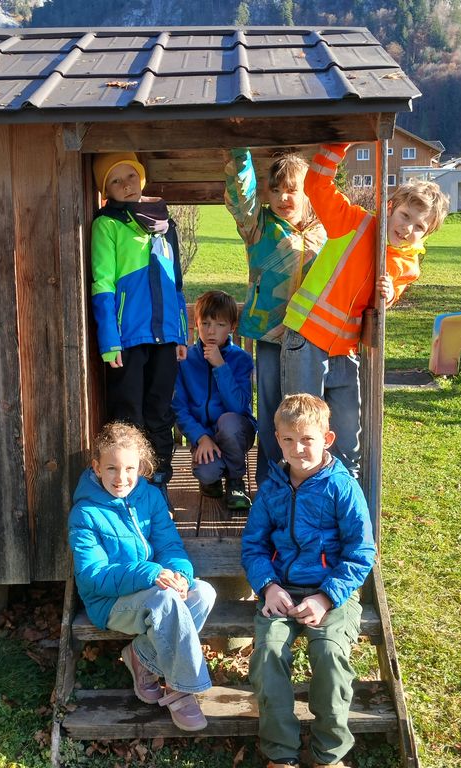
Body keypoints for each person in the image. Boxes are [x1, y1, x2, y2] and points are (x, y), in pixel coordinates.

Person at [282, 144, 450, 477]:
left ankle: (345, 497)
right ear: (391, 207)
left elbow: (385, 300)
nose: (408, 229)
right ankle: (298, 496)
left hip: (347, 350)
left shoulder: (407, 264)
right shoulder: (354, 223)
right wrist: (340, 143)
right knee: (301, 430)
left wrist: (389, 295)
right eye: (405, 216)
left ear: (427, 234)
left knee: (347, 436)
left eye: (419, 226)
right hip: (307, 338)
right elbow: (317, 184)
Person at [241, 394, 376, 768]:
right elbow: (253, 545)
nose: (297, 448)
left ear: (327, 439)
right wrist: (267, 585)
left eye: (307, 439)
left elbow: (361, 552)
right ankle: (280, 753)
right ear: (277, 439)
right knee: (268, 654)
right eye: (288, 439)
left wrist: (326, 597)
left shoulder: (342, 488)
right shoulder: (272, 488)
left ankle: (328, 754)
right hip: (281, 592)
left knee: (329, 654)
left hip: (331, 593)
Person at [69, 422, 216, 731]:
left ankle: (141, 656)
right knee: (165, 601)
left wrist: (180, 575)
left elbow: (169, 545)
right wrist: (151, 573)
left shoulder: (150, 497)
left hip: (153, 590)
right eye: (111, 468)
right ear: (96, 467)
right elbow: (93, 575)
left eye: (129, 469)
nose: (120, 478)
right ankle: (182, 689)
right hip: (110, 602)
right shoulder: (85, 514)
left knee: (204, 593)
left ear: (141, 468)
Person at [224, 147, 326, 486]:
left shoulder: (323, 231)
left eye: (292, 189)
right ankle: (271, 483)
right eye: (276, 189)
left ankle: (306, 481)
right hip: (270, 333)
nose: (283, 197)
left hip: (310, 336)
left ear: (308, 192)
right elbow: (242, 199)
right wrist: (241, 155)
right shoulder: (259, 225)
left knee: (306, 409)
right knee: (271, 407)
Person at [90, 152, 189, 502]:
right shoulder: (107, 224)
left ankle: (158, 485)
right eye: (115, 181)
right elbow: (102, 283)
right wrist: (109, 340)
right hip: (127, 338)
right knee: (128, 414)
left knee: (160, 412)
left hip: (166, 336)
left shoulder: (165, 224)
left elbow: (176, 285)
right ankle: (127, 491)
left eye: (130, 176)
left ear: (141, 178)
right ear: (106, 190)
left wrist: (181, 333)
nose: (126, 185)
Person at [173, 290, 256, 512]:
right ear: (196, 324)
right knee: (206, 472)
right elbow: (180, 408)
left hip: (237, 431)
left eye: (220, 325)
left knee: (228, 422)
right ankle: (213, 478)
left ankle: (236, 481)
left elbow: (238, 406)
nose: (211, 331)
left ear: (232, 327)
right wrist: (201, 438)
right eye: (205, 324)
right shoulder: (185, 360)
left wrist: (221, 367)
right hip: (205, 436)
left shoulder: (241, 360)